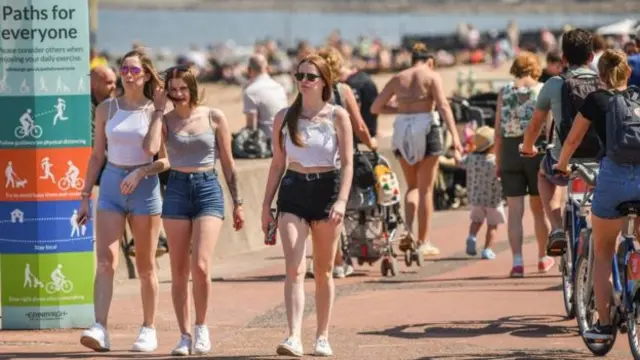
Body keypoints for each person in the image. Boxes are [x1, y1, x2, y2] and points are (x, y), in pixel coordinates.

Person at [143, 65, 245, 356]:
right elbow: (150, 149)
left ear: (193, 88)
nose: (178, 94)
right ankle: (184, 335)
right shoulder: (166, 119)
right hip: (175, 189)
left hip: (207, 188)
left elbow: (228, 163)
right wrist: (159, 111)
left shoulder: (214, 116)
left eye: (183, 89)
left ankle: (201, 328)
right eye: (172, 89)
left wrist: (237, 203)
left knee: (200, 265)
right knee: (178, 270)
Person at [260, 54, 354, 357]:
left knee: (324, 271)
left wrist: (341, 200)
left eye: (310, 77)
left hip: (327, 191)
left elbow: (349, 163)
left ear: (324, 81)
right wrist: (266, 207)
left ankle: (322, 336)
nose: (303, 81)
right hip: (292, 191)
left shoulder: (337, 116)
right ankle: (293, 336)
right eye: (299, 75)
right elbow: (277, 164)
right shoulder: (284, 117)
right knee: (294, 268)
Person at [77, 50, 168, 353]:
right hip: (113, 185)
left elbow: (164, 160)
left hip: (144, 186)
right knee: (105, 261)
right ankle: (100, 327)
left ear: (145, 74)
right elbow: (96, 156)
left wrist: (142, 171)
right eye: (125, 69)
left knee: (145, 266)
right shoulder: (106, 108)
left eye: (135, 70)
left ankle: (149, 328)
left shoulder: (157, 110)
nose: (129, 74)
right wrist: (84, 196)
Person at [553, 49, 640, 340]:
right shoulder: (638, 98)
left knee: (602, 252)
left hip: (613, 177)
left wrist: (562, 164)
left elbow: (573, 139)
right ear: (627, 73)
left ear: (599, 76)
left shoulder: (596, 100)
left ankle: (603, 325)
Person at [371, 43, 462, 256]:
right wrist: (455, 137)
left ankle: (408, 233)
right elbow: (443, 106)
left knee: (412, 187)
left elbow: (376, 107)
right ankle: (423, 241)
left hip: (402, 128)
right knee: (426, 189)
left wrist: (402, 108)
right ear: (430, 61)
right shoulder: (431, 76)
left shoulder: (398, 78)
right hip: (426, 126)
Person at [521, 28, 601, 258]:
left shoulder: (554, 84)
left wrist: (527, 147)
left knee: (544, 176)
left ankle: (556, 226)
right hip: (598, 156)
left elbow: (535, 125)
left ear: (564, 59)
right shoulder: (603, 83)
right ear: (591, 57)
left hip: (563, 158)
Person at [306, 47, 376, 279]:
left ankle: (330, 261)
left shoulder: (309, 93)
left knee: (321, 212)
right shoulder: (343, 90)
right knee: (341, 212)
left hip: (317, 159)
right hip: (342, 159)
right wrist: (372, 146)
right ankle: (336, 262)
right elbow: (360, 126)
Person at [495, 52, 553, 277]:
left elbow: (498, 130)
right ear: (535, 68)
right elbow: (548, 127)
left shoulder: (505, 91)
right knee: (540, 211)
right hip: (535, 149)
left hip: (510, 150)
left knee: (515, 211)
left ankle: (517, 262)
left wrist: (498, 160)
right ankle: (542, 257)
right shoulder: (541, 89)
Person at [462, 126, 503, 260]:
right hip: (493, 199)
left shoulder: (471, 158)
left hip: (476, 198)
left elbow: (461, 163)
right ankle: (487, 249)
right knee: (492, 225)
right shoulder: (495, 162)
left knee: (476, 221)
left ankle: (472, 237)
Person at [243, 54, 288, 140]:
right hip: (285, 139)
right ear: (267, 68)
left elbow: (252, 129)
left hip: (267, 144)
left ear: (249, 70)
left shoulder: (251, 91)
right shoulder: (279, 87)